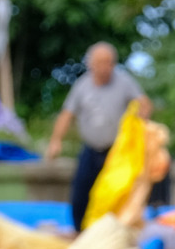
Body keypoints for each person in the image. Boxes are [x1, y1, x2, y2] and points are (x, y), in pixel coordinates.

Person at [46, 42, 151, 230]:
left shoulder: (124, 82)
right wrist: (55, 141)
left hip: (116, 152)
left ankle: (117, 231)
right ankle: (80, 231)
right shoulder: (82, 85)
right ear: (91, 64)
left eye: (109, 63)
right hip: (91, 148)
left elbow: (144, 103)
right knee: (81, 191)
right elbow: (66, 115)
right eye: (100, 63)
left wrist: (142, 119)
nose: (105, 67)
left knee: (116, 192)